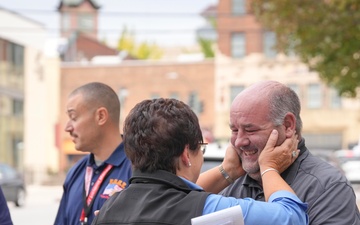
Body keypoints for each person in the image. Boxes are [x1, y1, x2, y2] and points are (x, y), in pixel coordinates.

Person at [92, 98, 308, 225]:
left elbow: (167, 193)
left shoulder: (108, 209)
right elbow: (292, 217)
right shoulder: (207, 211)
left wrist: (228, 171)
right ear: (187, 154)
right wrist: (269, 167)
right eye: (200, 148)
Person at [198, 80, 360, 225]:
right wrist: (226, 172)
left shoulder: (327, 186)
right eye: (234, 130)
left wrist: (268, 168)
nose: (240, 141)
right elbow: (177, 204)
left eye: (250, 130)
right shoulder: (233, 182)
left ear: (288, 125)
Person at [54, 82, 132, 225]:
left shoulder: (137, 169)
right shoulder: (76, 173)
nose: (67, 128)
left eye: (74, 117)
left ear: (101, 116)